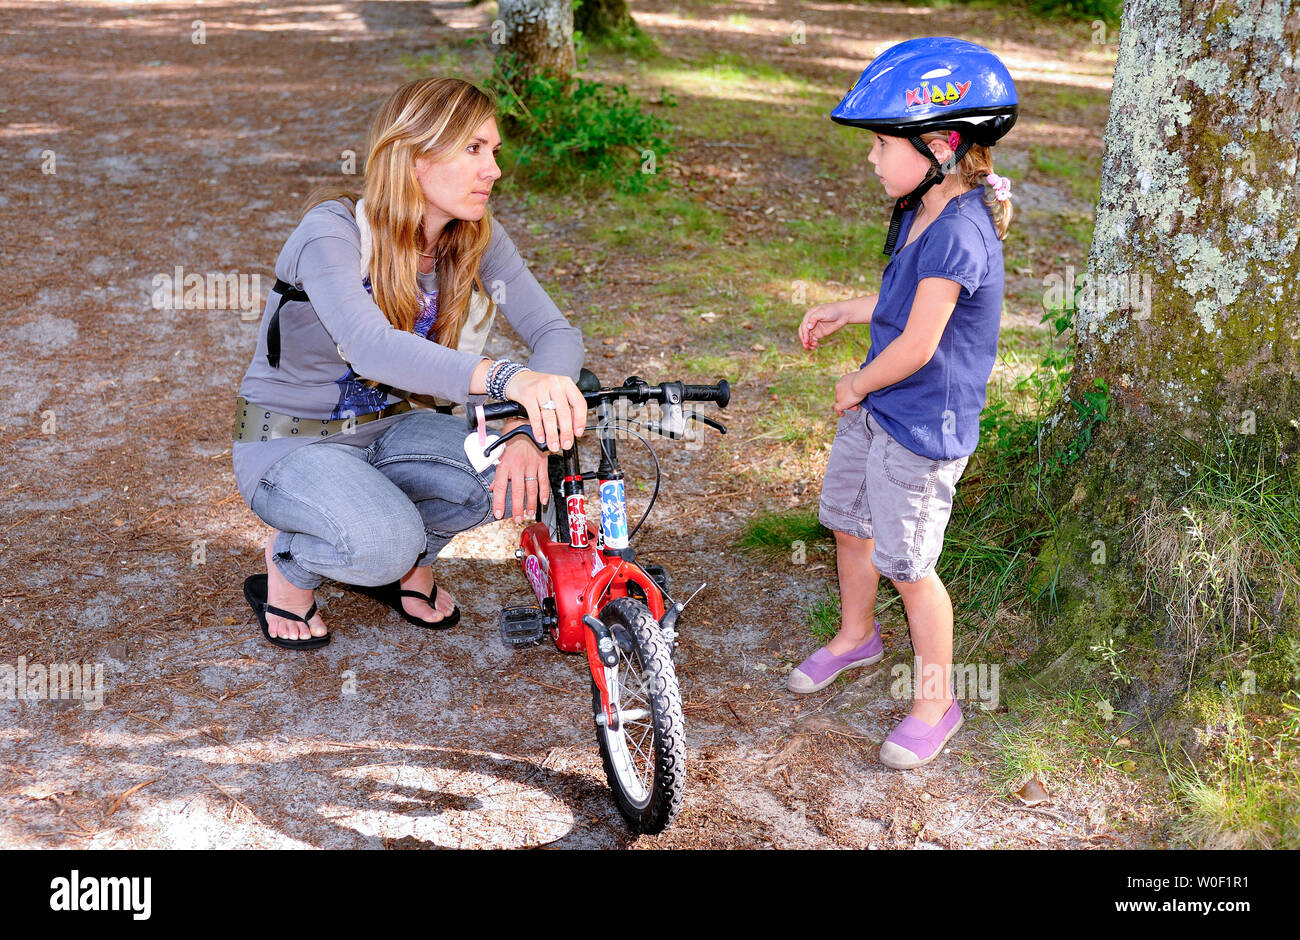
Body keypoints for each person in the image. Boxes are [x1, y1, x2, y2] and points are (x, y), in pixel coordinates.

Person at [231, 77, 587, 650]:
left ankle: (411, 560)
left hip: (394, 430)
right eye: (473, 149)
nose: (494, 170)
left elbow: (555, 333)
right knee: (381, 544)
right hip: (290, 443)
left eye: (494, 151)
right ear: (415, 157)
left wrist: (524, 427)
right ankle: (291, 564)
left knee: (509, 472)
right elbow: (370, 346)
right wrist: (508, 380)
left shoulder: (475, 237)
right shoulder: (332, 232)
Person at [787, 37, 1018, 770]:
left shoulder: (960, 233)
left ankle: (936, 702)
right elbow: (900, 305)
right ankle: (857, 637)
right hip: (882, 408)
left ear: (940, 146)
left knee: (910, 566)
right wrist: (845, 310)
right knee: (847, 523)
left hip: (920, 426)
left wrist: (855, 385)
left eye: (882, 144)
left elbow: (919, 345)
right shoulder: (919, 209)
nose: (871, 157)